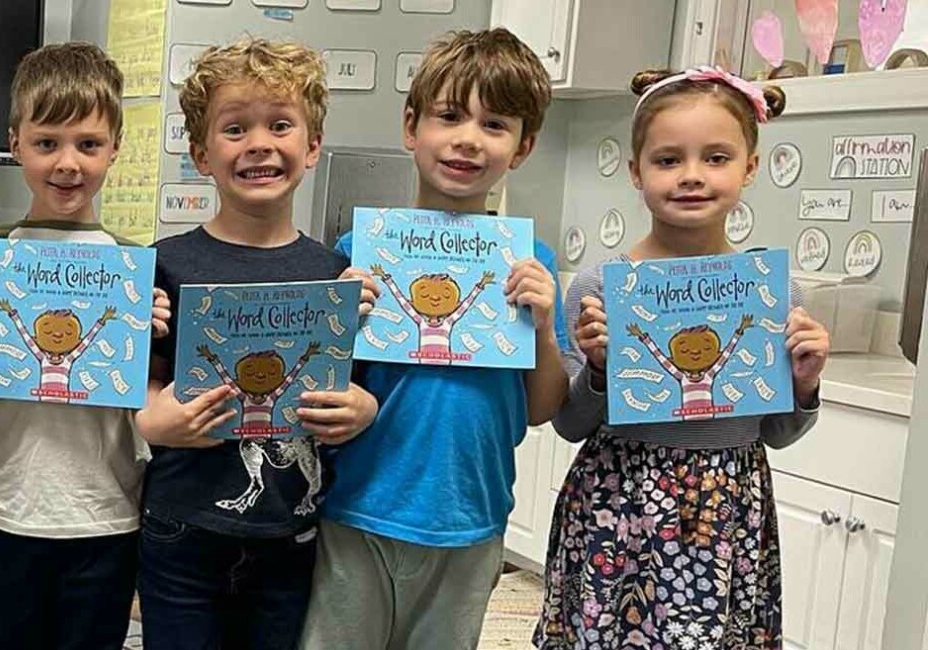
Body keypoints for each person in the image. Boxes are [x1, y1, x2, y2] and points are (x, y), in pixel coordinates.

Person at [537, 67, 830, 650]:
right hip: (618, 503)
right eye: (668, 160)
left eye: (716, 158)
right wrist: (598, 369)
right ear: (635, 173)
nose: (692, 176)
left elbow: (776, 432)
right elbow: (569, 424)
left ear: (750, 166)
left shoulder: (775, 295)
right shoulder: (599, 285)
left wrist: (803, 386)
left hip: (727, 511)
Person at [303, 28, 570, 650]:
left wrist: (545, 330)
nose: (468, 139)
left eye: (495, 125)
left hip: (470, 518)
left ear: (523, 146)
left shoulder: (529, 263)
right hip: (361, 510)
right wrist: (339, 321)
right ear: (410, 126)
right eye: (449, 116)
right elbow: (318, 398)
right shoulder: (356, 257)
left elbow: (540, 409)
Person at [136, 38, 378, 649]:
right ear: (201, 152)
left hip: (290, 533)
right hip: (182, 526)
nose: (259, 143)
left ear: (313, 145)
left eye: (280, 125)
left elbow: (358, 385)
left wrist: (362, 409)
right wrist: (151, 418)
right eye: (235, 129)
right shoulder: (165, 263)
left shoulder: (336, 273)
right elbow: (144, 379)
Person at [0, 41, 170, 650]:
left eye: (89, 144)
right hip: (4, 504)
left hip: (105, 511)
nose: (68, 163)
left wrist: (152, 334)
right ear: (14, 143)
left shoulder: (136, 265)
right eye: (47, 143)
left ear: (116, 148)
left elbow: (149, 396)